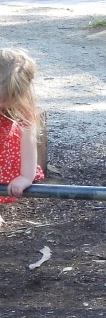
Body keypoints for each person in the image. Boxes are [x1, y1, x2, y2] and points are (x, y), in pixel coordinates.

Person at [0, 47, 44, 207]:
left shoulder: (21, 107)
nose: (2, 104)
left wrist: (26, 176)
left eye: (6, 99)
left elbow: (28, 141)